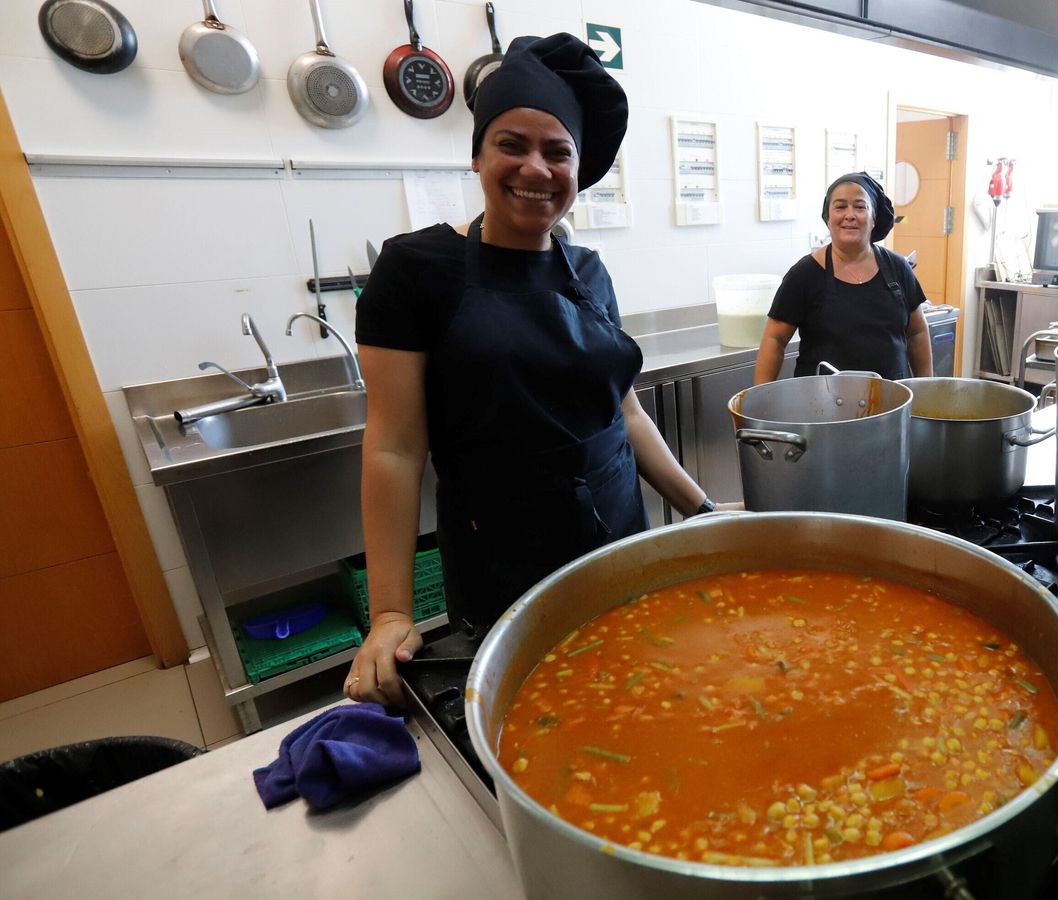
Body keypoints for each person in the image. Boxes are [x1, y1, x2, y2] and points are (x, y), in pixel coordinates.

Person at [343, 34, 726, 706]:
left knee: (640, 697)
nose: (535, 168)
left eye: (558, 152)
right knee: (538, 715)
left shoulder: (589, 272)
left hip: (618, 534)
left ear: (579, 169)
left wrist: (702, 509)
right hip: (503, 555)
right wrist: (390, 615)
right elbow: (396, 448)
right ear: (476, 155)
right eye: (512, 144)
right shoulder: (415, 271)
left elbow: (625, 413)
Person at [753, 172, 934, 383]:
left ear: (874, 217)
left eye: (860, 206)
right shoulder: (804, 274)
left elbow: (917, 333)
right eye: (840, 207)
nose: (850, 215)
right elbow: (775, 339)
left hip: (891, 403)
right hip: (823, 405)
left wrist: (924, 389)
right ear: (828, 218)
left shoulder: (897, 268)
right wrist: (760, 397)